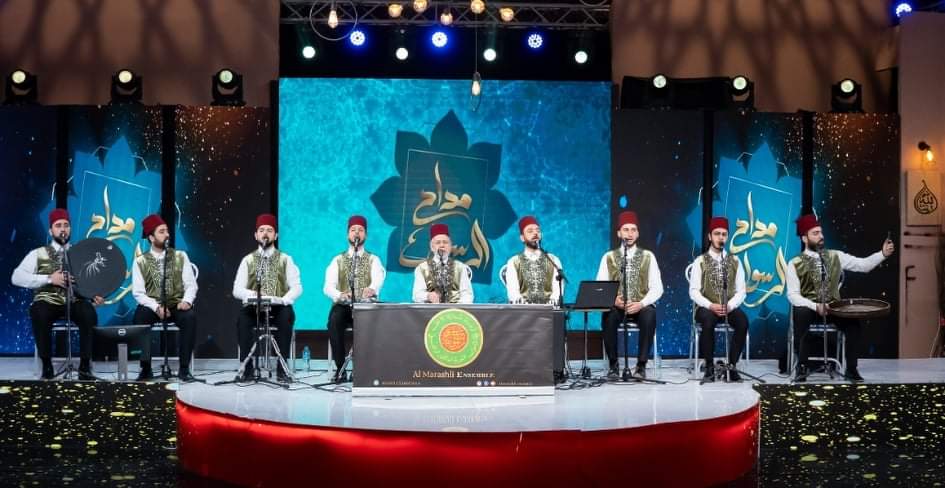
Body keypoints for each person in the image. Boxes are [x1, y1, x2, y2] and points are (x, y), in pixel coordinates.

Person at [786, 213, 894, 382]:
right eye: (815, 233)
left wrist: (883, 254)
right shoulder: (794, 263)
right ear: (804, 238)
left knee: (853, 324)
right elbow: (792, 295)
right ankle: (802, 366)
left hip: (832, 307)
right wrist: (815, 306)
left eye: (821, 232)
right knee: (800, 313)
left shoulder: (835, 256)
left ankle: (851, 369)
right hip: (809, 307)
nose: (821, 236)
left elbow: (863, 265)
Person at [11, 208, 103, 380]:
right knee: (38, 311)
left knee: (88, 312)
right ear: (50, 231)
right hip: (47, 302)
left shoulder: (79, 253)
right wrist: (49, 279)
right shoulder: (37, 253)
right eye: (58, 225)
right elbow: (16, 277)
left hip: (73, 301)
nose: (63, 229)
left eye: (66, 225)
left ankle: (84, 366)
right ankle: (47, 366)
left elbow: (88, 281)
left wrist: (94, 296)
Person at [232, 214, 302, 382]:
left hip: (278, 307)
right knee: (243, 320)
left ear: (275, 236)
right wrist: (253, 295)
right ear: (256, 235)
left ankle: (282, 368)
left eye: (269, 231)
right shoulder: (248, 260)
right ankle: (247, 368)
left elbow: (297, 287)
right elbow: (237, 290)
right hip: (254, 307)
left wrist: (283, 300)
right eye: (261, 230)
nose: (265, 234)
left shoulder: (286, 259)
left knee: (286, 316)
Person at [131, 214, 198, 381]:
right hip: (153, 305)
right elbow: (138, 292)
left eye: (167, 231)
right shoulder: (140, 261)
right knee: (140, 318)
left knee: (189, 317)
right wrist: (156, 307)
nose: (167, 235)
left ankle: (184, 369)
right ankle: (145, 368)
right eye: (161, 232)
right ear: (151, 237)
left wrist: (187, 301)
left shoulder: (180, 256)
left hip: (176, 304)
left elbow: (191, 285)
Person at [596, 211, 663, 379]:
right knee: (608, 315)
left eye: (633, 230)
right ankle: (613, 365)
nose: (630, 234)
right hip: (618, 305)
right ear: (619, 233)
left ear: (638, 233)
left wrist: (642, 303)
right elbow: (600, 287)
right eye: (626, 230)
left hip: (640, 305)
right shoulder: (608, 257)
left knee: (650, 314)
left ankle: (641, 366)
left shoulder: (648, 256)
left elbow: (658, 288)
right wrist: (614, 300)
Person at [323, 215, 385, 377]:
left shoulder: (373, 259)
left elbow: (378, 279)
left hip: (365, 306)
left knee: (371, 324)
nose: (356, 233)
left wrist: (371, 289)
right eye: (353, 230)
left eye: (360, 230)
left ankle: (363, 369)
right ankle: (340, 368)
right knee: (334, 321)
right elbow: (328, 287)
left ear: (366, 235)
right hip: (343, 305)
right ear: (347, 235)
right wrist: (340, 294)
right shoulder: (338, 260)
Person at [688, 216, 748, 382]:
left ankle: (732, 366)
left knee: (743, 322)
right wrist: (710, 305)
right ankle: (709, 367)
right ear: (710, 236)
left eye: (724, 234)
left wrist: (730, 305)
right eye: (717, 234)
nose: (720, 237)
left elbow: (741, 291)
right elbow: (693, 292)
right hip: (706, 307)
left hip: (729, 307)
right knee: (708, 321)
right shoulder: (700, 261)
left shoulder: (735, 261)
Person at [503, 216, 563, 305]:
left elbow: (557, 292)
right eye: (530, 231)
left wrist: (550, 305)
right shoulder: (514, 262)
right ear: (522, 238)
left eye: (538, 231)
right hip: (523, 312)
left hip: (550, 311)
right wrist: (529, 308)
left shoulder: (553, 260)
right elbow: (513, 294)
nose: (535, 233)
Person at [412, 223, 473, 304]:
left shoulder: (460, 267)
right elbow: (416, 295)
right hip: (430, 311)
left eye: (445, 242)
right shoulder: (422, 268)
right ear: (432, 247)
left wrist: (457, 307)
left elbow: (467, 295)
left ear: (450, 246)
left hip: (455, 311)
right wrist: (428, 296)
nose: (442, 245)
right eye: (438, 242)